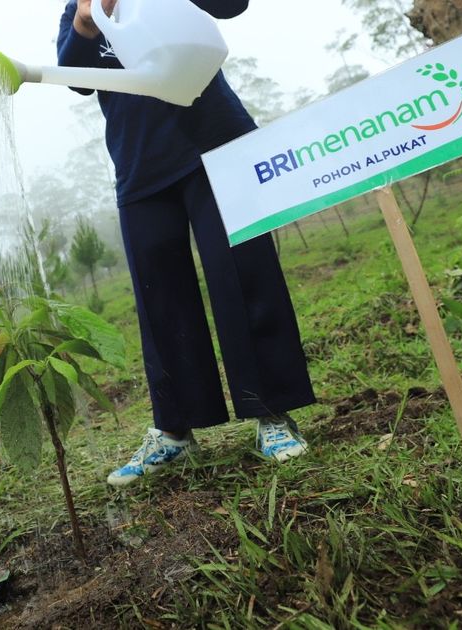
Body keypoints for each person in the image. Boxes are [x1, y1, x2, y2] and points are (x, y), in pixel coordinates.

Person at [57, 0, 316, 487]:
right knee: (161, 297)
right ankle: (175, 430)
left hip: (216, 143)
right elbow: (76, 77)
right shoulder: (80, 4)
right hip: (139, 167)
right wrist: (86, 21)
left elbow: (230, 6)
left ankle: (272, 414)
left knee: (243, 275)